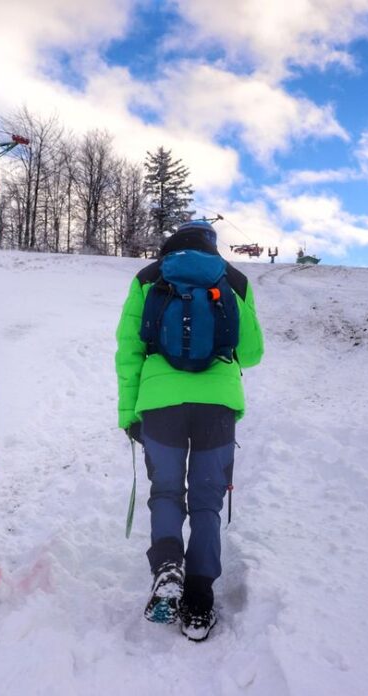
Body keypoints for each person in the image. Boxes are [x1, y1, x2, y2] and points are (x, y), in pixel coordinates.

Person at [115, 220, 264, 641]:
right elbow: (251, 353)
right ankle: (198, 602)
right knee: (206, 502)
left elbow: (129, 350)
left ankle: (166, 568)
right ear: (212, 245)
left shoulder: (149, 277)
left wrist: (130, 413)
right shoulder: (232, 278)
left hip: (160, 403)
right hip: (217, 403)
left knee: (165, 491)